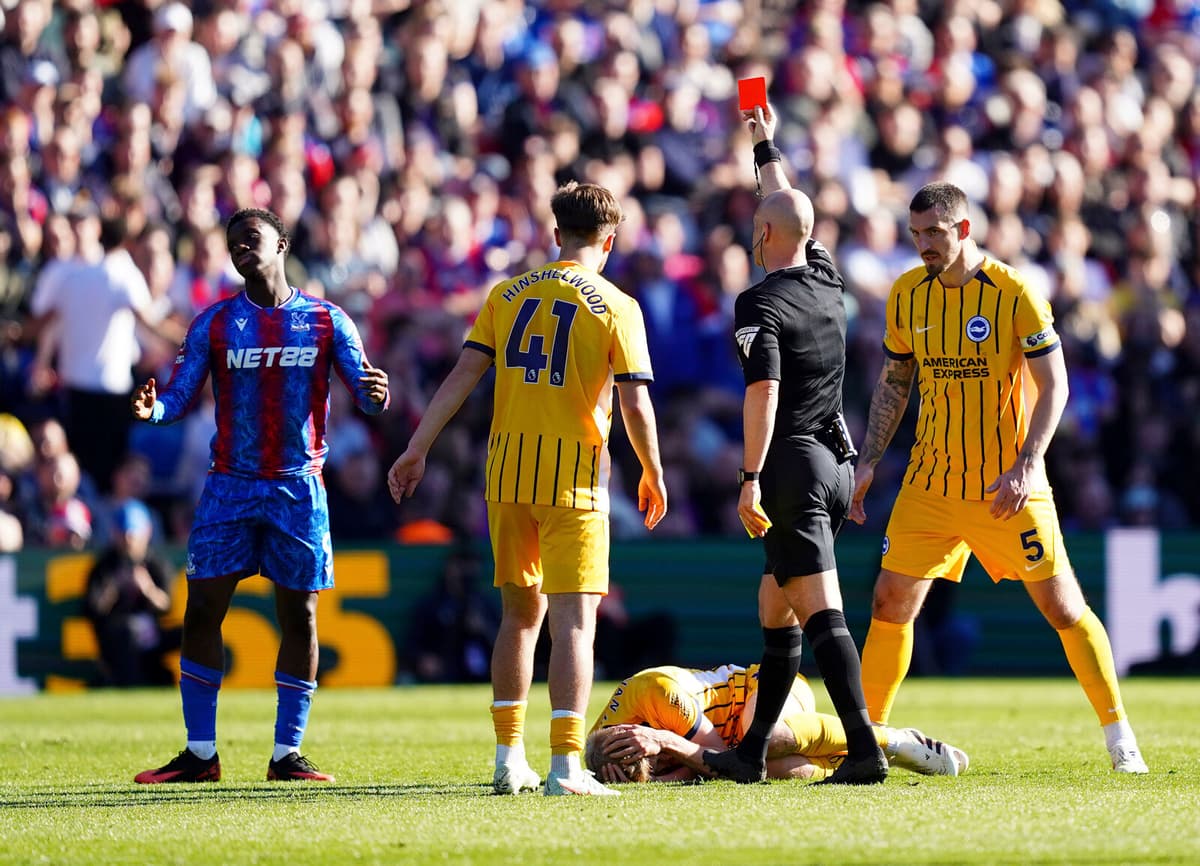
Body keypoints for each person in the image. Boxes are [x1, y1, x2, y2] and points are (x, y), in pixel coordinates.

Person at [849, 181, 1149, 774]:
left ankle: (1121, 736)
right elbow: (895, 381)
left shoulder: (1015, 293)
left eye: (934, 232)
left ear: (964, 229)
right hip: (930, 484)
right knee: (889, 602)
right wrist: (869, 460)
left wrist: (1028, 464)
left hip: (1006, 486)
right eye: (915, 234)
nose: (923, 244)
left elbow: (1055, 385)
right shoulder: (906, 293)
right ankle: (868, 742)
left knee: (1063, 608)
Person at [388, 181, 667, 797]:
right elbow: (635, 402)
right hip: (574, 481)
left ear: (556, 233)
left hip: (507, 477)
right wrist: (652, 469)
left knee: (519, 618)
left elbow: (462, 375)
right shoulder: (618, 305)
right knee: (575, 623)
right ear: (609, 242)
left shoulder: (506, 294)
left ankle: (507, 758)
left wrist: (417, 447)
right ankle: (566, 764)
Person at [131, 207, 390, 784]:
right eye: (233, 243)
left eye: (251, 238)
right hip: (230, 486)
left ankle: (286, 755)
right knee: (202, 611)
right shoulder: (215, 323)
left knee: (300, 615)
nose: (241, 248)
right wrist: (155, 411)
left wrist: (378, 396)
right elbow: (178, 396)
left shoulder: (326, 320)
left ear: (282, 245)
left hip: (299, 489)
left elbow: (366, 393)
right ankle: (200, 754)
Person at [701, 104, 887, 786]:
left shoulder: (759, 303)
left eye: (757, 227)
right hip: (835, 463)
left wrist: (749, 476)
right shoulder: (828, 279)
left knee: (820, 612)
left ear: (763, 235)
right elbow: (789, 207)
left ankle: (864, 750)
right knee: (775, 608)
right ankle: (750, 754)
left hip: (791, 468)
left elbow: (764, 392)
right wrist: (764, 145)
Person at [585, 663, 968, 783]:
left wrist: (669, 744)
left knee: (766, 740)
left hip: (762, 689)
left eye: (660, 760)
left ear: (642, 731)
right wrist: (651, 780)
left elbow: (723, 759)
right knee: (779, 770)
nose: (666, 764)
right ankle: (849, 761)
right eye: (661, 768)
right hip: (728, 742)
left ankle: (891, 740)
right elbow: (712, 768)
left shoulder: (656, 694)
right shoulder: (600, 745)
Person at [84, 499, 177, 687]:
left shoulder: (156, 564)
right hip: (116, 637)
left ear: (146, 532)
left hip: (151, 634)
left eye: (133, 535)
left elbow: (166, 606)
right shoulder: (105, 566)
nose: (129, 541)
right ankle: (130, 685)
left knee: (191, 635)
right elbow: (93, 610)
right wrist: (113, 588)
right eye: (124, 534)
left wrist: (147, 589)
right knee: (127, 630)